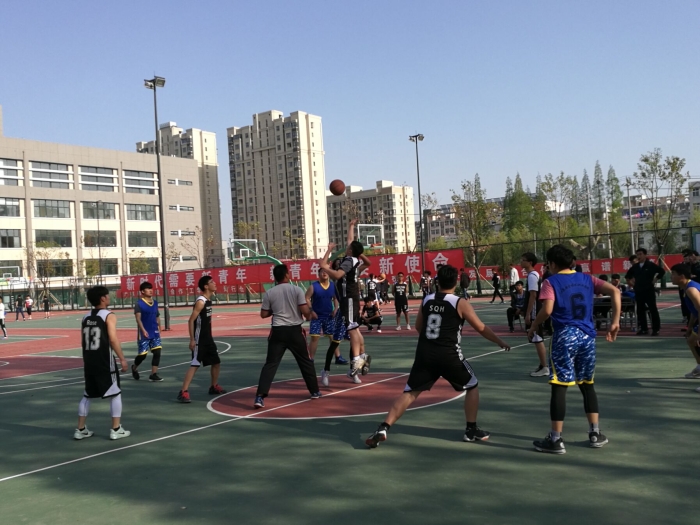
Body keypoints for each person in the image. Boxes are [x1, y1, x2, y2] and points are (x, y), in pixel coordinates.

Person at [365, 265, 511, 449]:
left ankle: (384, 427)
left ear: (437, 281)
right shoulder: (459, 302)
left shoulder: (427, 299)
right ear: (456, 281)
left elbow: (418, 327)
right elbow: (480, 328)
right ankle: (471, 429)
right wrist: (499, 341)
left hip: (425, 354)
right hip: (449, 355)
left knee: (410, 393)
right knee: (472, 385)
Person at [527, 245, 621, 454]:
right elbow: (615, 291)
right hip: (587, 336)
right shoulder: (587, 279)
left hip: (565, 336)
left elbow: (547, 309)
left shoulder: (550, 282)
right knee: (587, 384)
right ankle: (595, 433)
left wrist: (534, 324)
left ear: (552, 264)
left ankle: (556, 438)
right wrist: (615, 321)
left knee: (559, 385)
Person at [254, 264, 321, 407]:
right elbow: (305, 311)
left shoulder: (270, 293)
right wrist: (310, 313)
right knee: (305, 361)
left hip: (277, 331)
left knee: (270, 364)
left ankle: (260, 397)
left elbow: (263, 314)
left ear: (275, 277)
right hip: (294, 331)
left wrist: (275, 310)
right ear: (286, 275)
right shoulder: (296, 290)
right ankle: (314, 391)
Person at [320, 219, 373, 384]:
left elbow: (335, 273)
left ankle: (356, 362)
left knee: (353, 331)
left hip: (348, 301)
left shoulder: (349, 263)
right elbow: (350, 242)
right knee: (351, 333)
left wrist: (327, 264)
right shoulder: (352, 263)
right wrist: (351, 226)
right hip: (346, 306)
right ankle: (353, 361)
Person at [74, 285, 130, 441]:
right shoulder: (109, 315)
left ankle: (80, 429)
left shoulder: (85, 317)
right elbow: (112, 339)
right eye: (107, 295)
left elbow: (82, 341)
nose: (109, 297)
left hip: (89, 360)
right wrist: (122, 358)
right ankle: (116, 429)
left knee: (87, 395)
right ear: (102, 298)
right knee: (115, 393)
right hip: (104, 360)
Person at [177, 276, 226, 403]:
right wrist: (192, 339)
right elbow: (191, 320)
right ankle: (183, 392)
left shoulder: (209, 300)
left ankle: (213, 386)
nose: (215, 283)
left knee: (216, 362)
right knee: (195, 364)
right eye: (212, 282)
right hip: (199, 340)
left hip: (208, 338)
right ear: (206, 286)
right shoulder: (201, 301)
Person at [319, 256, 351, 388]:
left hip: (351, 310)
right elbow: (323, 264)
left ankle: (353, 370)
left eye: (341, 264)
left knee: (355, 341)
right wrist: (329, 249)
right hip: (342, 312)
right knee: (335, 342)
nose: (339, 266)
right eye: (337, 264)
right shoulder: (335, 277)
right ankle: (326, 371)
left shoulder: (349, 275)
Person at [306, 268, 346, 367]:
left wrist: (336, 308)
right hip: (316, 316)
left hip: (329, 316)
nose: (324, 273)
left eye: (326, 272)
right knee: (315, 337)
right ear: (318, 274)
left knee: (333, 337)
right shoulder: (313, 286)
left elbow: (335, 298)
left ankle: (338, 357)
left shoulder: (333, 286)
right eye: (322, 272)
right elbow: (306, 298)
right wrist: (311, 311)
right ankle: (310, 359)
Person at [669, 264, 700, 392]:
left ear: (682, 276)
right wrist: (690, 327)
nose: (671, 277)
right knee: (691, 340)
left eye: (673, 274)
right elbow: (695, 311)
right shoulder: (686, 288)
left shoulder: (691, 289)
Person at [521, 252, 548, 377]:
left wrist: (528, 314)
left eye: (523, 260)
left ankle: (545, 367)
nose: (521, 262)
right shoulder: (533, 275)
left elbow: (533, 295)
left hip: (534, 311)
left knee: (537, 338)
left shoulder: (532, 276)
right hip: (535, 310)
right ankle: (543, 365)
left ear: (530, 262)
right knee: (536, 338)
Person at [625, 248, 664, 335]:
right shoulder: (635, 267)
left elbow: (662, 271)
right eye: (637, 254)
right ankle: (644, 329)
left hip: (649, 290)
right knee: (640, 310)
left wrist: (655, 279)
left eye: (640, 254)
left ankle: (656, 329)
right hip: (639, 291)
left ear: (645, 255)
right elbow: (628, 276)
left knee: (652, 309)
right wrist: (633, 284)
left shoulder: (650, 265)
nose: (639, 256)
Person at [131, 282, 164, 382]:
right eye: (148, 289)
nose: (150, 290)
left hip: (154, 332)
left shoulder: (155, 303)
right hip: (144, 333)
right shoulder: (139, 303)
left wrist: (159, 326)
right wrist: (143, 330)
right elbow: (138, 319)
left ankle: (153, 374)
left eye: (151, 288)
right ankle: (134, 368)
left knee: (157, 352)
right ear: (142, 291)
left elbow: (157, 316)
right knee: (143, 355)